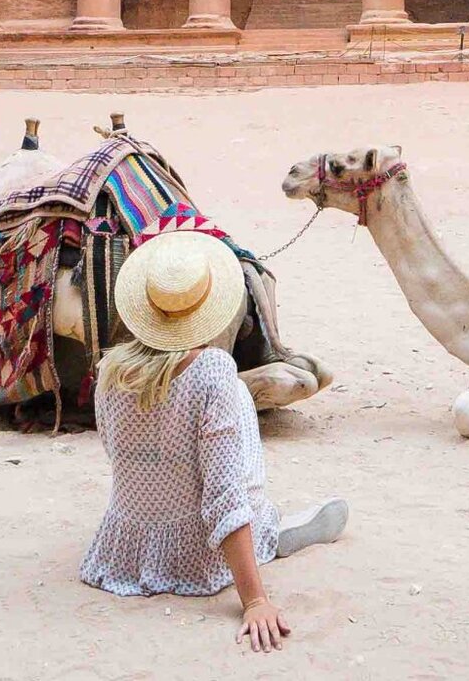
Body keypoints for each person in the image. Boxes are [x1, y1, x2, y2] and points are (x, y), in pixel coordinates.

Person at [80, 230, 348, 651]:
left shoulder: (110, 370)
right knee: (240, 399)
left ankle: (268, 525)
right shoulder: (213, 372)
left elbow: (117, 457)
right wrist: (255, 600)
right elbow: (223, 493)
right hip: (197, 555)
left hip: (124, 554)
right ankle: (268, 527)